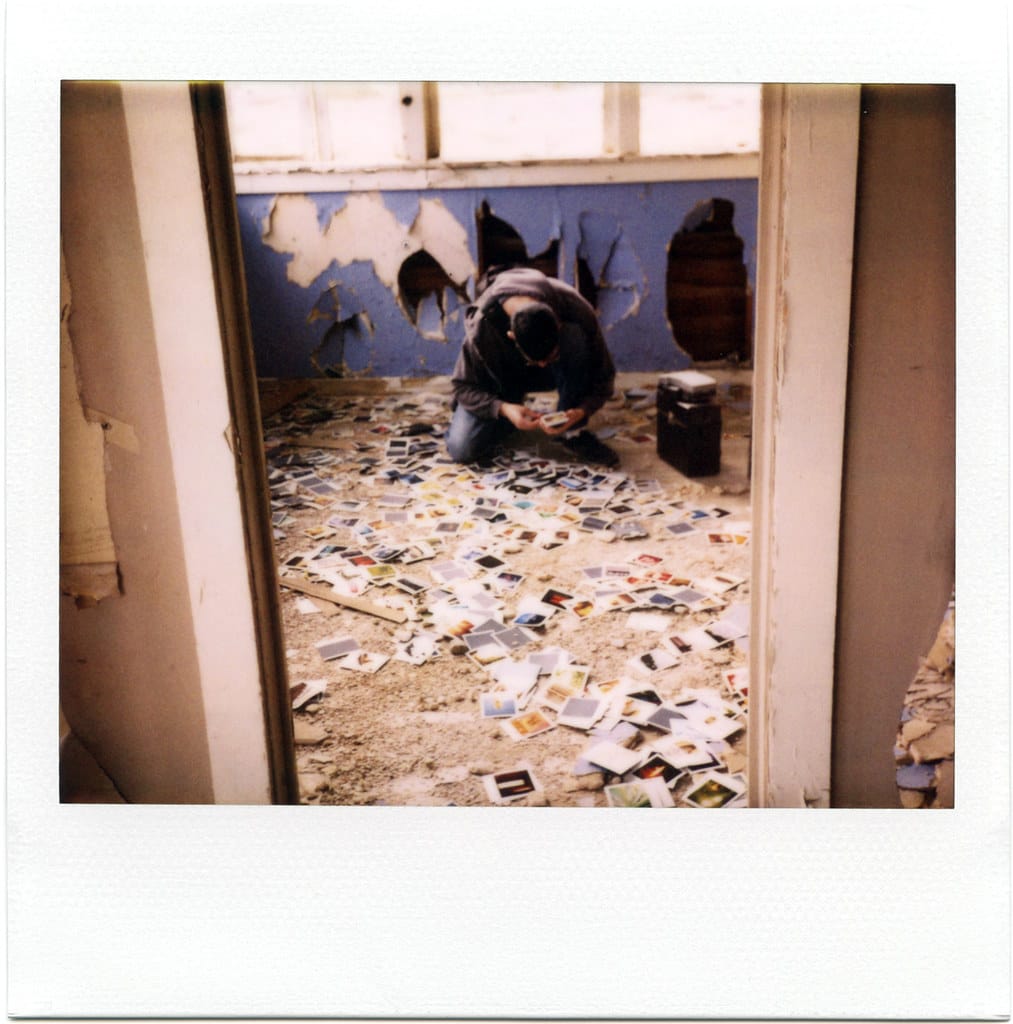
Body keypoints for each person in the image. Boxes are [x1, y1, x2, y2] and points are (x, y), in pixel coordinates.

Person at [445, 266, 619, 467]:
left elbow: (604, 376)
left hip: (555, 375)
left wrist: (581, 410)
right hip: (502, 382)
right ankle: (506, 416)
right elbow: (461, 386)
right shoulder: (482, 323)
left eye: (551, 356)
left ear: (557, 325)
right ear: (511, 336)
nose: (544, 364)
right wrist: (503, 409)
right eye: (536, 360)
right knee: (462, 449)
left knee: (576, 335)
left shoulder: (574, 307)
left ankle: (571, 431)